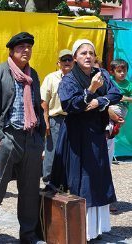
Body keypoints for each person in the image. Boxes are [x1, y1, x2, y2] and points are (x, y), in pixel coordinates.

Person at [50, 39, 122, 241]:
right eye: (83, 53)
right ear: (75, 58)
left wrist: (99, 101)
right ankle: (79, 228)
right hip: (76, 135)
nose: (88, 56)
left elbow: (116, 92)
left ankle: (96, 229)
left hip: (96, 133)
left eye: (91, 52)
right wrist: (90, 90)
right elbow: (69, 105)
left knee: (97, 178)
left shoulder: (103, 74)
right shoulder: (69, 80)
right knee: (81, 178)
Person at [0, 32, 46, 244]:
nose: (26, 51)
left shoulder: (32, 74)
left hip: (31, 139)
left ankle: (28, 235)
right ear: (11, 50)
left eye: (29, 47)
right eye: (21, 47)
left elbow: (37, 105)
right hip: (7, 138)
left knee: (30, 193)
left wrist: (40, 138)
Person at [40, 49, 74, 184]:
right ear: (58, 63)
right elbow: (44, 101)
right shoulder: (51, 78)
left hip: (74, 119)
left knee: (72, 152)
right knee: (52, 152)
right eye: (63, 60)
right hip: (56, 119)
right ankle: (48, 182)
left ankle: (67, 182)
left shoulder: (79, 78)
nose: (67, 62)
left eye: (69, 59)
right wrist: (46, 121)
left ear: (74, 62)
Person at [106, 59, 132, 138]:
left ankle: (110, 129)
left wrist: (125, 98)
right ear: (112, 72)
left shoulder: (128, 84)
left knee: (105, 109)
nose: (122, 73)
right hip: (111, 104)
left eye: (124, 71)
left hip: (121, 107)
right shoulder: (109, 80)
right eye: (119, 71)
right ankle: (113, 128)